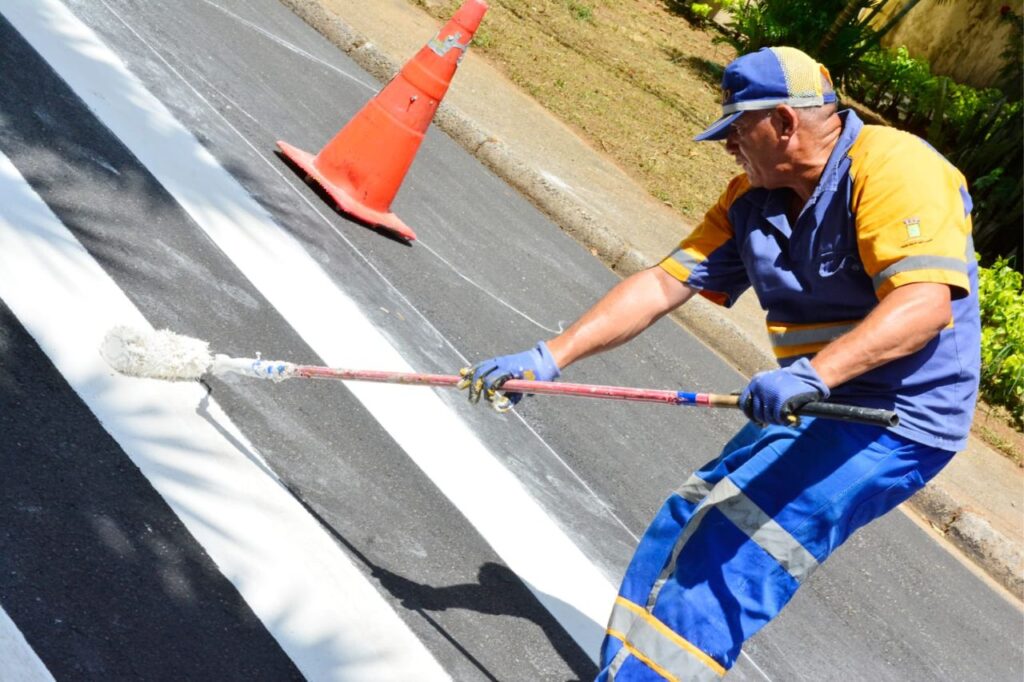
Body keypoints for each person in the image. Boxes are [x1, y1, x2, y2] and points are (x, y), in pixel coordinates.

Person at [459, 45, 980, 680]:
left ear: (784, 123)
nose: (729, 145)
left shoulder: (895, 166)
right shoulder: (751, 200)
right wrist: (550, 356)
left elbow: (924, 305)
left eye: (738, 130)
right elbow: (662, 284)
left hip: (890, 419)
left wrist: (811, 375)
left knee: (731, 556)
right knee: (691, 514)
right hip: (811, 398)